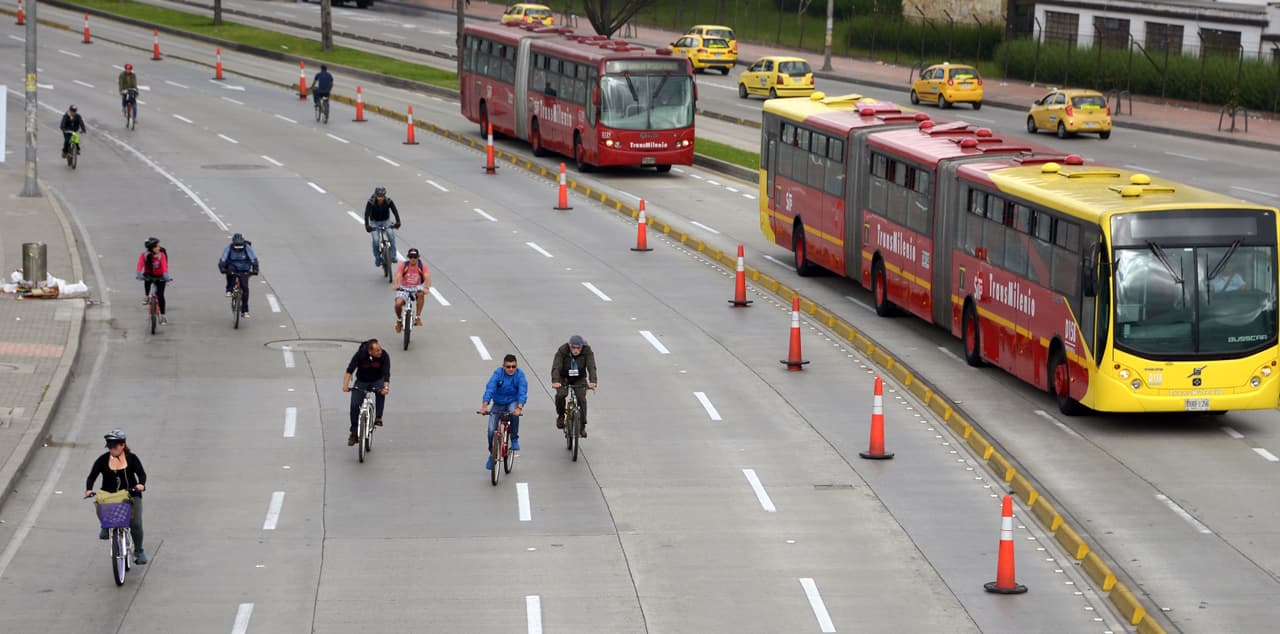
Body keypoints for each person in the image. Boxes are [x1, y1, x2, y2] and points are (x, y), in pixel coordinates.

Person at [84, 429, 148, 565]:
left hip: (131, 494)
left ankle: (139, 551)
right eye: (109, 447)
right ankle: (105, 526)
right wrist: (89, 489)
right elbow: (92, 476)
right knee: (100, 503)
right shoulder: (102, 460)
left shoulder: (132, 459)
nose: (112, 450)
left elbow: (142, 474)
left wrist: (141, 484)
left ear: (122, 445)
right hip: (109, 495)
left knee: (135, 523)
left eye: (114, 446)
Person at [480, 354, 528, 468]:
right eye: (508, 366)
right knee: (491, 430)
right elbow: (490, 388)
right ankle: (492, 454)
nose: (511, 369)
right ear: (503, 366)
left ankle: (514, 438)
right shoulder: (498, 374)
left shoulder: (520, 375)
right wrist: (484, 406)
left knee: (513, 413)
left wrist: (519, 407)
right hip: (498, 403)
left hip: (512, 402)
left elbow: (523, 391)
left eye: (513, 366)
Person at [342, 339, 390, 446]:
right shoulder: (360, 355)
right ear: (370, 351)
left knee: (380, 392)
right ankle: (354, 432)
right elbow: (350, 370)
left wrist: (385, 388)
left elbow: (386, 373)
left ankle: (378, 416)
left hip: (377, 380)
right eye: (377, 351)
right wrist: (345, 385)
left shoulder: (384, 355)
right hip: (362, 381)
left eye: (380, 349)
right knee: (354, 404)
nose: (380, 352)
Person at [552, 335, 597, 437]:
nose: (576, 350)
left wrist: (593, 381)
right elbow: (556, 366)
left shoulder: (587, 351)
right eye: (573, 347)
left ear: (582, 346)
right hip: (564, 377)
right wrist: (555, 381)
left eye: (578, 348)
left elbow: (591, 366)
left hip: (579, 377)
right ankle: (561, 415)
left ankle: (582, 426)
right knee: (561, 395)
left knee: (581, 398)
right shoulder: (562, 350)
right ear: (569, 346)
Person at [218, 233, 259, 319]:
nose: (238, 249)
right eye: (236, 246)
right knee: (230, 272)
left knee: (245, 288)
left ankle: (245, 311)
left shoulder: (247, 248)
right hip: (233, 266)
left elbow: (253, 258)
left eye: (240, 246)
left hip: (244, 268)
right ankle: (229, 290)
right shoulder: (228, 247)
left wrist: (255, 269)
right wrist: (222, 267)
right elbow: (223, 258)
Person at [393, 248, 430, 332]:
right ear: (408, 257)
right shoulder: (404, 265)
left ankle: (417, 317)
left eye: (415, 257)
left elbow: (427, 277)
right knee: (398, 303)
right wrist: (395, 285)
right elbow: (398, 275)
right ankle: (399, 320)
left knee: (421, 294)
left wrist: (427, 288)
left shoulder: (422, 266)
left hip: (416, 287)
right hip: (404, 287)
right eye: (411, 257)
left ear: (418, 257)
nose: (413, 259)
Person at [364, 187, 402, 268]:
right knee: (376, 240)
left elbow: (395, 211)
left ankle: (393, 256)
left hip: (386, 221)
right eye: (378, 196)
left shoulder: (389, 201)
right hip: (374, 222)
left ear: (384, 195)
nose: (380, 198)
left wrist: (398, 222)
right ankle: (377, 258)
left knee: (391, 235)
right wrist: (367, 225)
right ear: (376, 195)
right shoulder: (371, 202)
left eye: (382, 196)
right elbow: (366, 214)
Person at [136, 237, 170, 325]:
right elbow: (140, 264)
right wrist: (139, 273)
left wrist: (166, 275)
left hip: (160, 276)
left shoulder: (161, 255)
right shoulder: (144, 255)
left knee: (161, 296)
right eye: (156, 247)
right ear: (151, 248)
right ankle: (147, 296)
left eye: (159, 246)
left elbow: (164, 265)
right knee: (146, 280)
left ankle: (163, 316)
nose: (159, 248)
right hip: (149, 275)